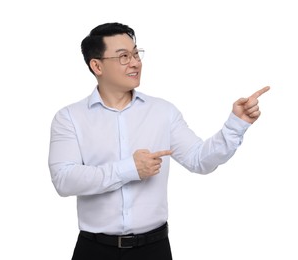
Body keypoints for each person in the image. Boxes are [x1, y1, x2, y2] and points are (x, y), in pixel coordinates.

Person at [48, 22, 270, 260]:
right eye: (123, 57)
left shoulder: (163, 112)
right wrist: (130, 169)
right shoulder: (69, 117)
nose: (135, 63)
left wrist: (236, 124)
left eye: (135, 53)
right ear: (97, 65)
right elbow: (64, 180)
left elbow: (199, 160)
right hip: (94, 250)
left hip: (153, 249)